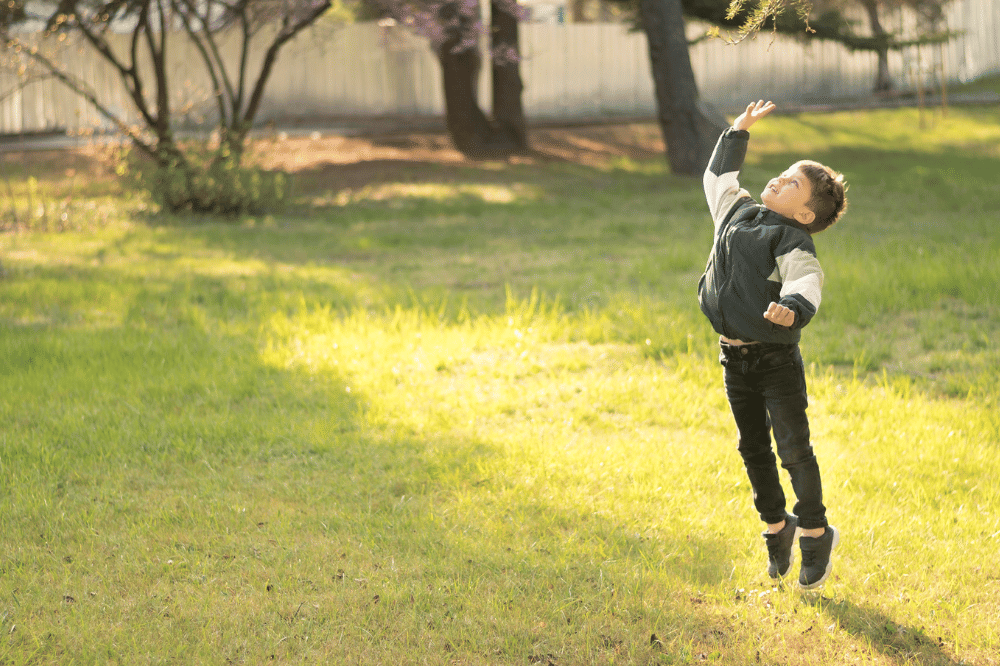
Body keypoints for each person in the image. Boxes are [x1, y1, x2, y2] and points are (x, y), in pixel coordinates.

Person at [699, 100, 848, 589]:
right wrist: (738, 131)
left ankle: (814, 530)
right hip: (732, 357)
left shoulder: (790, 238)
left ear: (804, 212)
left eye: (792, 184)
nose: (779, 181)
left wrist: (793, 307)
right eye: (782, 174)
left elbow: (806, 279)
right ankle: (775, 526)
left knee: (793, 449)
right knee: (752, 449)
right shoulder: (737, 210)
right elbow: (717, 179)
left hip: (774, 359)